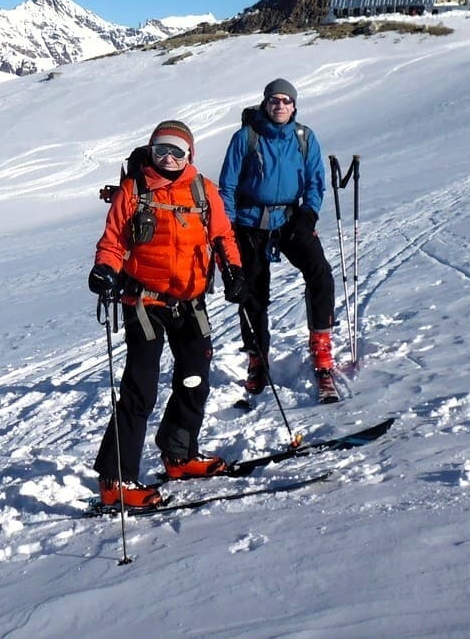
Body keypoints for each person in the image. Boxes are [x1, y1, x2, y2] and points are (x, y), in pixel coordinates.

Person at [88, 120, 247, 510]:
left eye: (177, 151)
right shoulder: (135, 189)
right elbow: (113, 240)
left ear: (190, 154)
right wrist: (104, 269)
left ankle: (179, 455)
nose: (169, 158)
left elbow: (222, 235)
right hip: (145, 302)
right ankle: (115, 480)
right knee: (140, 389)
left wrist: (234, 269)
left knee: (194, 380)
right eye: (161, 150)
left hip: (191, 300)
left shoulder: (203, 189)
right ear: (151, 150)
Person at [217, 79, 339, 403]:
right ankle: (257, 360)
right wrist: (228, 227)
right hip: (250, 222)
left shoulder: (304, 137)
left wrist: (308, 214)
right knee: (253, 292)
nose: (280, 105)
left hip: (290, 219)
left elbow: (316, 182)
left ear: (294, 105)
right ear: (265, 103)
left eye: (286, 100)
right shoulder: (246, 137)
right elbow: (226, 186)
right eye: (274, 100)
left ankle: (322, 351)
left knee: (320, 274)